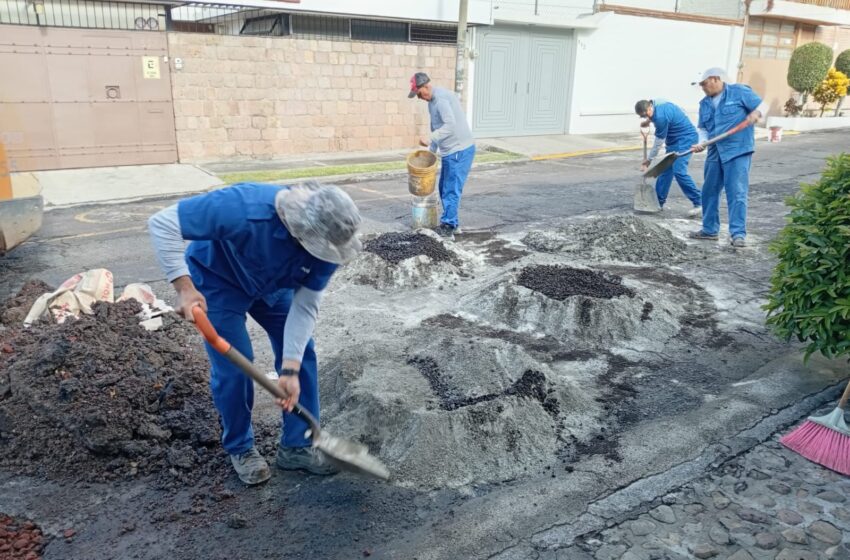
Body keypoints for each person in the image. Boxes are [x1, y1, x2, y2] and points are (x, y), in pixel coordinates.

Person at [147, 181, 362, 485]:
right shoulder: (244, 207)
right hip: (217, 280)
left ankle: (297, 446)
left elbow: (305, 308)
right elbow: (163, 222)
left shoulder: (329, 247)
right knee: (235, 365)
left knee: (302, 354)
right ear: (299, 230)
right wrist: (183, 286)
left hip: (273, 286)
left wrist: (290, 369)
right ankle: (241, 448)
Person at [688, 68, 765, 248]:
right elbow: (703, 129)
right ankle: (709, 230)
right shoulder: (704, 103)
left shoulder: (739, 92)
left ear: (715, 79)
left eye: (704, 84)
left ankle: (738, 234)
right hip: (715, 151)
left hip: (737, 150)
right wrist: (702, 142)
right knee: (709, 191)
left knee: (736, 192)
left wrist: (757, 113)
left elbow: (763, 106)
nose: (703, 88)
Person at [409, 71, 476, 240]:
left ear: (426, 86)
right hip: (450, 151)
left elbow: (450, 125)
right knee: (443, 187)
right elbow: (436, 126)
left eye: (419, 93)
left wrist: (430, 138)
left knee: (450, 189)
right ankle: (453, 223)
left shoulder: (441, 100)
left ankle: (448, 227)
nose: (419, 97)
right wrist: (431, 151)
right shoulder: (431, 102)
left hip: (459, 150)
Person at [634, 99, 702, 217]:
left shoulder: (660, 118)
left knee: (679, 171)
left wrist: (649, 160)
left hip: (686, 139)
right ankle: (658, 203)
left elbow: (658, 143)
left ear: (650, 108)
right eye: (642, 117)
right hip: (674, 141)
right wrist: (648, 121)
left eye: (646, 115)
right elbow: (675, 108)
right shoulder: (656, 103)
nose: (645, 117)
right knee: (665, 171)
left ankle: (699, 202)